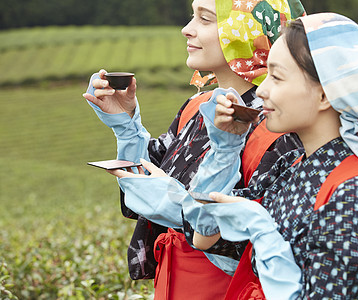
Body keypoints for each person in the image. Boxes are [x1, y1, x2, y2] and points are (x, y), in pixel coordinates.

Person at [162, 13, 358, 299]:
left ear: (325, 96)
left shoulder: (354, 194)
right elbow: (204, 232)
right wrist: (226, 147)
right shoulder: (294, 167)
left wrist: (265, 235)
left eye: (277, 77)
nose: (264, 89)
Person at [82, 0, 306, 299]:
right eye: (192, 17)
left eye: (204, 19)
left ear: (245, 30)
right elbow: (151, 179)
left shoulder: (280, 126)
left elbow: (274, 241)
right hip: (173, 284)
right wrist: (126, 126)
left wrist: (183, 210)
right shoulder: (196, 106)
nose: (187, 30)